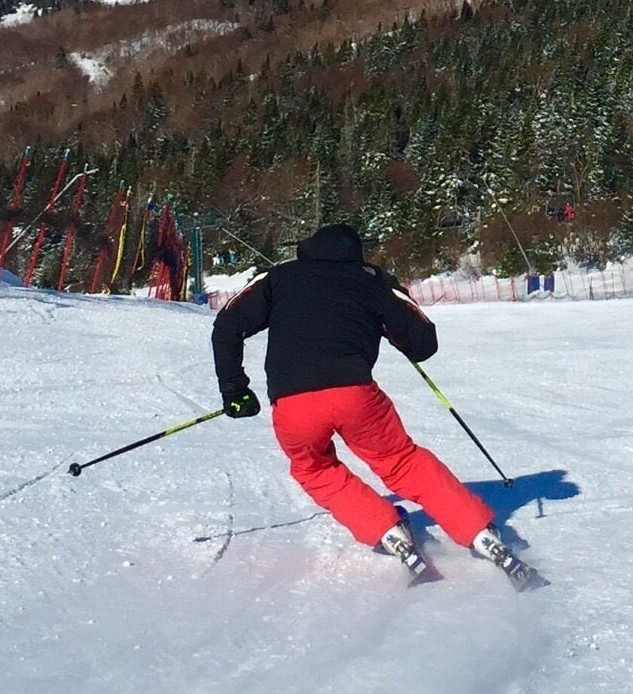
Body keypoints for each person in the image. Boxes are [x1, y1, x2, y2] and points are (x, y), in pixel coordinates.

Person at [212, 221, 529, 586]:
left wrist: (235, 390)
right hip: (356, 396)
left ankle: (384, 528)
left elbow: (226, 326)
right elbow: (422, 343)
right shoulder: (372, 278)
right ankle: (476, 530)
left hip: (293, 403)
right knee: (401, 461)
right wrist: (388, 312)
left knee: (313, 469)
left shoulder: (279, 276)